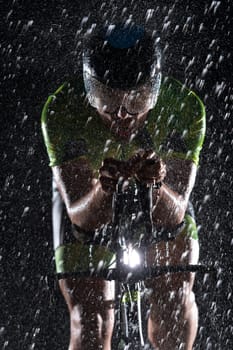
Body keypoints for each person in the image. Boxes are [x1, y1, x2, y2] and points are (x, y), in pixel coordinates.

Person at [41, 23, 205, 350]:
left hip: (158, 196)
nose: (123, 116)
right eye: (106, 101)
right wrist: (104, 190)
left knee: (173, 299)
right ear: (90, 92)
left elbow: (173, 215)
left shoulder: (184, 108)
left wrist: (156, 187)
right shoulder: (61, 110)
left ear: (155, 90)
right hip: (89, 198)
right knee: (91, 321)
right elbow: (81, 218)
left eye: (138, 100)